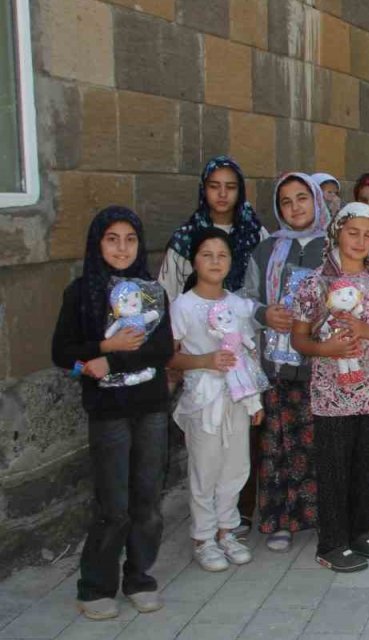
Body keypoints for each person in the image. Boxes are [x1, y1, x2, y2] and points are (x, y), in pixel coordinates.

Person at [53, 207, 174, 620]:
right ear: (97, 243)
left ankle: (139, 578)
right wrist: (103, 349)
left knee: (148, 501)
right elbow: (61, 353)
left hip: (151, 409)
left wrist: (116, 361)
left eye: (130, 239)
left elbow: (161, 351)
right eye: (112, 238)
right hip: (108, 413)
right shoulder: (81, 293)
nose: (122, 247)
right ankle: (95, 587)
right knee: (113, 505)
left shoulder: (152, 291)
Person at [292, 203, 369, 572]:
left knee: (365, 465)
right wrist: (324, 349)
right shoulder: (315, 282)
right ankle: (331, 543)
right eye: (352, 232)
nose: (360, 241)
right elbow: (299, 339)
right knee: (334, 467)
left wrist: (365, 332)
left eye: (368, 234)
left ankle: (359, 533)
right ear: (337, 232)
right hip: (331, 395)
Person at [169, 228, 264, 572]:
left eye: (222, 255)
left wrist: (255, 401)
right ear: (194, 260)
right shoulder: (183, 306)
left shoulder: (238, 306)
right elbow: (172, 357)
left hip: (237, 398)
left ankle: (227, 530)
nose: (214, 261)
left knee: (236, 466)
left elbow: (249, 358)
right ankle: (203, 537)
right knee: (204, 468)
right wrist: (204, 361)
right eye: (207, 255)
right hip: (204, 399)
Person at [242, 173, 328, 552]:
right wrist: (264, 314)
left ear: (316, 202)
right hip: (277, 364)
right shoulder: (266, 250)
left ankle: (324, 516)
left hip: (323, 364)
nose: (295, 207)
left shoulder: (334, 246)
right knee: (277, 442)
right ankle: (281, 519)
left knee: (321, 442)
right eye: (287, 202)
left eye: (302, 198)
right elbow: (245, 299)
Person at [158, 155, 268, 302]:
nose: (222, 194)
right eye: (214, 186)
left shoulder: (256, 234)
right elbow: (167, 293)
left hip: (247, 321)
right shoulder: (185, 238)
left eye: (230, 187)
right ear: (204, 189)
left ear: (240, 191)